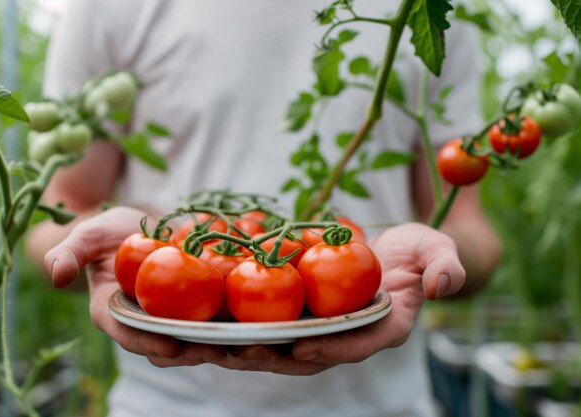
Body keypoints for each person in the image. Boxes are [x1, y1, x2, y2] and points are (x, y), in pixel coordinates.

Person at [27, 0, 501, 416]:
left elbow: (468, 226)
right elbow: (58, 219)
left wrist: (433, 259)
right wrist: (122, 248)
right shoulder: (107, 7)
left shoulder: (422, 11)